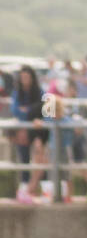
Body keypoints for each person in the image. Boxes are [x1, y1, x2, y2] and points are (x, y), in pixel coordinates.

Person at [8, 65, 48, 203]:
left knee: (40, 158)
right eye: (22, 77)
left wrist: (29, 111)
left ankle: (43, 187)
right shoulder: (17, 92)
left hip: (38, 131)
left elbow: (47, 111)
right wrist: (31, 112)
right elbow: (15, 110)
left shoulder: (40, 91)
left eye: (27, 77)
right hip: (24, 130)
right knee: (24, 157)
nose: (24, 79)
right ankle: (25, 187)